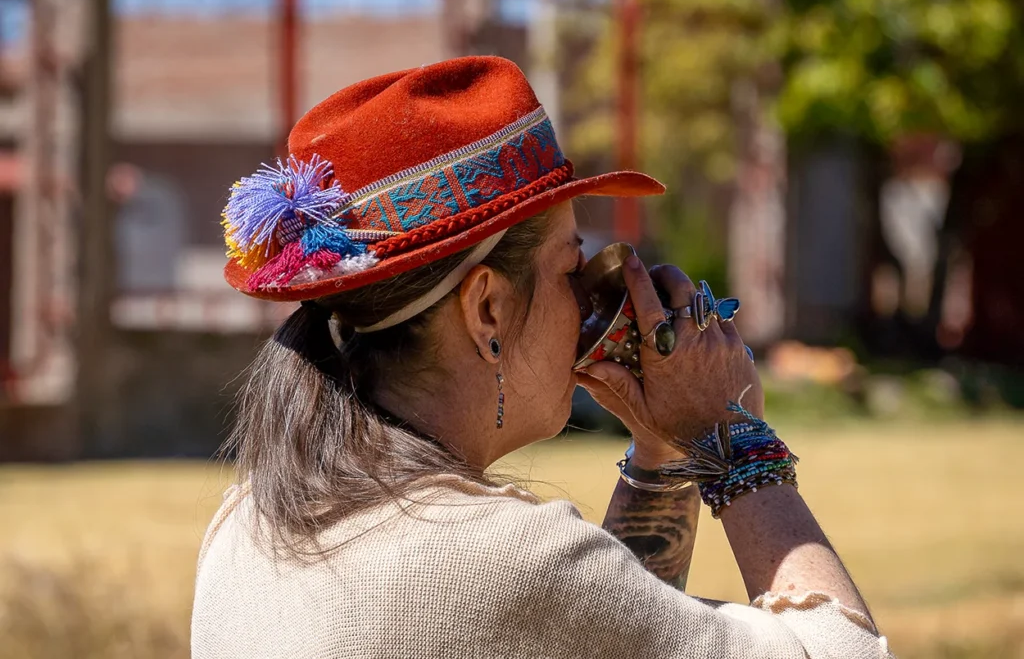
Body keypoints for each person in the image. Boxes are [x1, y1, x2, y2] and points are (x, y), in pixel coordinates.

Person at [191, 56, 892, 658]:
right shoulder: (502, 559)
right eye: (571, 268)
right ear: (488, 308)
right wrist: (731, 435)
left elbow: (613, 631)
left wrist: (662, 453)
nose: (595, 296)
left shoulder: (244, 530)